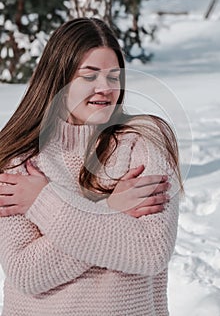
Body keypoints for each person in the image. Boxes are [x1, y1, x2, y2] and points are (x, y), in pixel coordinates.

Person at [0, 18, 182, 316]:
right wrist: (114, 208)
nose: (105, 88)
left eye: (113, 77)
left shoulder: (144, 143)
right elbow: (27, 274)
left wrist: (42, 202)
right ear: (58, 79)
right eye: (89, 76)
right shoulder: (20, 162)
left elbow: (152, 251)